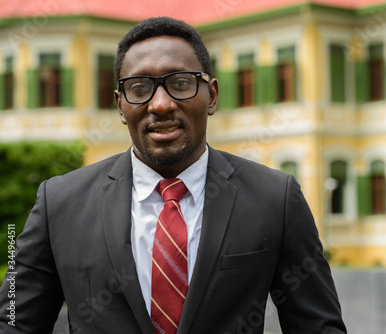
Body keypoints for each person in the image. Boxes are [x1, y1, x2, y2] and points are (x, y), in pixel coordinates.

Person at [0, 17, 347, 334]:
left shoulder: (276, 198)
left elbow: (318, 327)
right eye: (140, 88)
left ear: (210, 96)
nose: (161, 104)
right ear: (121, 105)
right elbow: (14, 321)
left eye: (180, 83)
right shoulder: (59, 202)